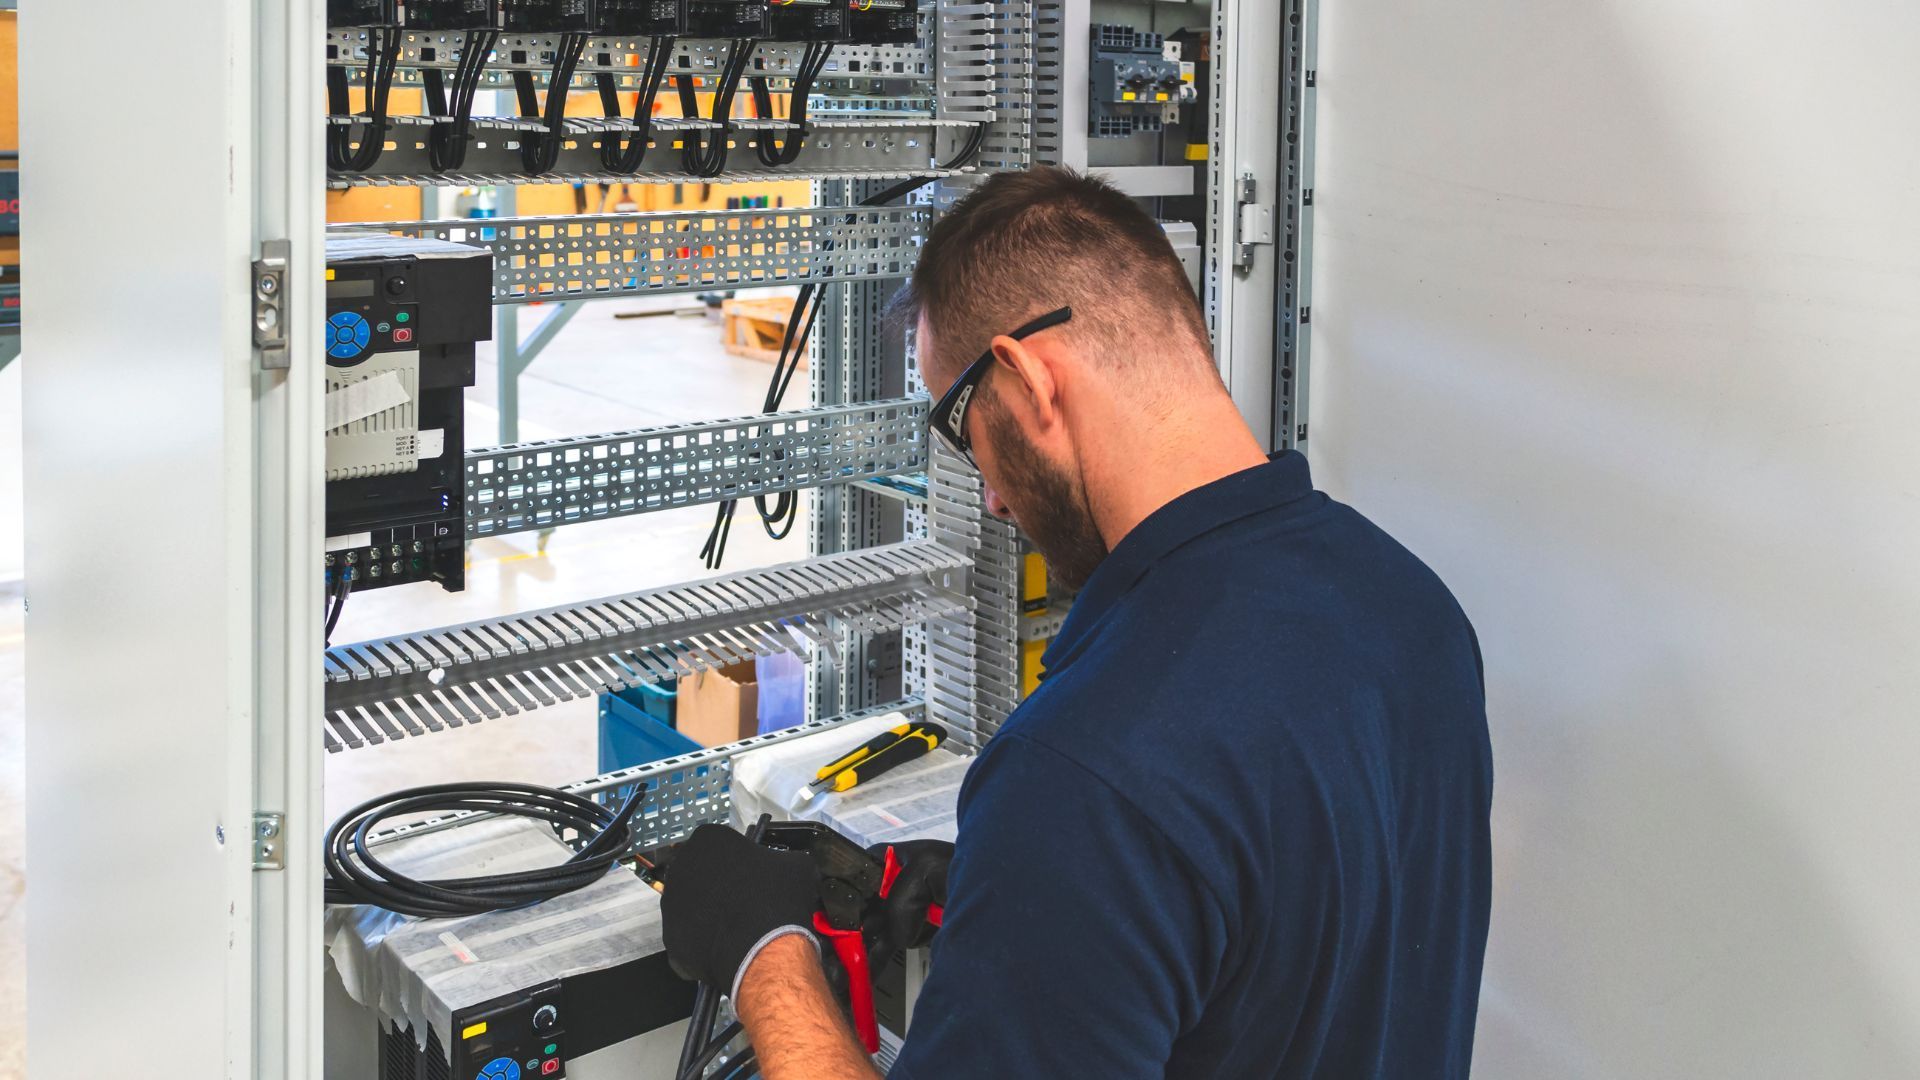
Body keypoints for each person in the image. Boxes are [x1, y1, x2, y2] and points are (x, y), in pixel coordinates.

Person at [661, 166, 1493, 1079]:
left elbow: (1148, 812)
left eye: (961, 427)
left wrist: (763, 958)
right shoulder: (1412, 608)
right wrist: (1033, 910)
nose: (990, 495)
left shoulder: (1090, 771)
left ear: (1026, 378)